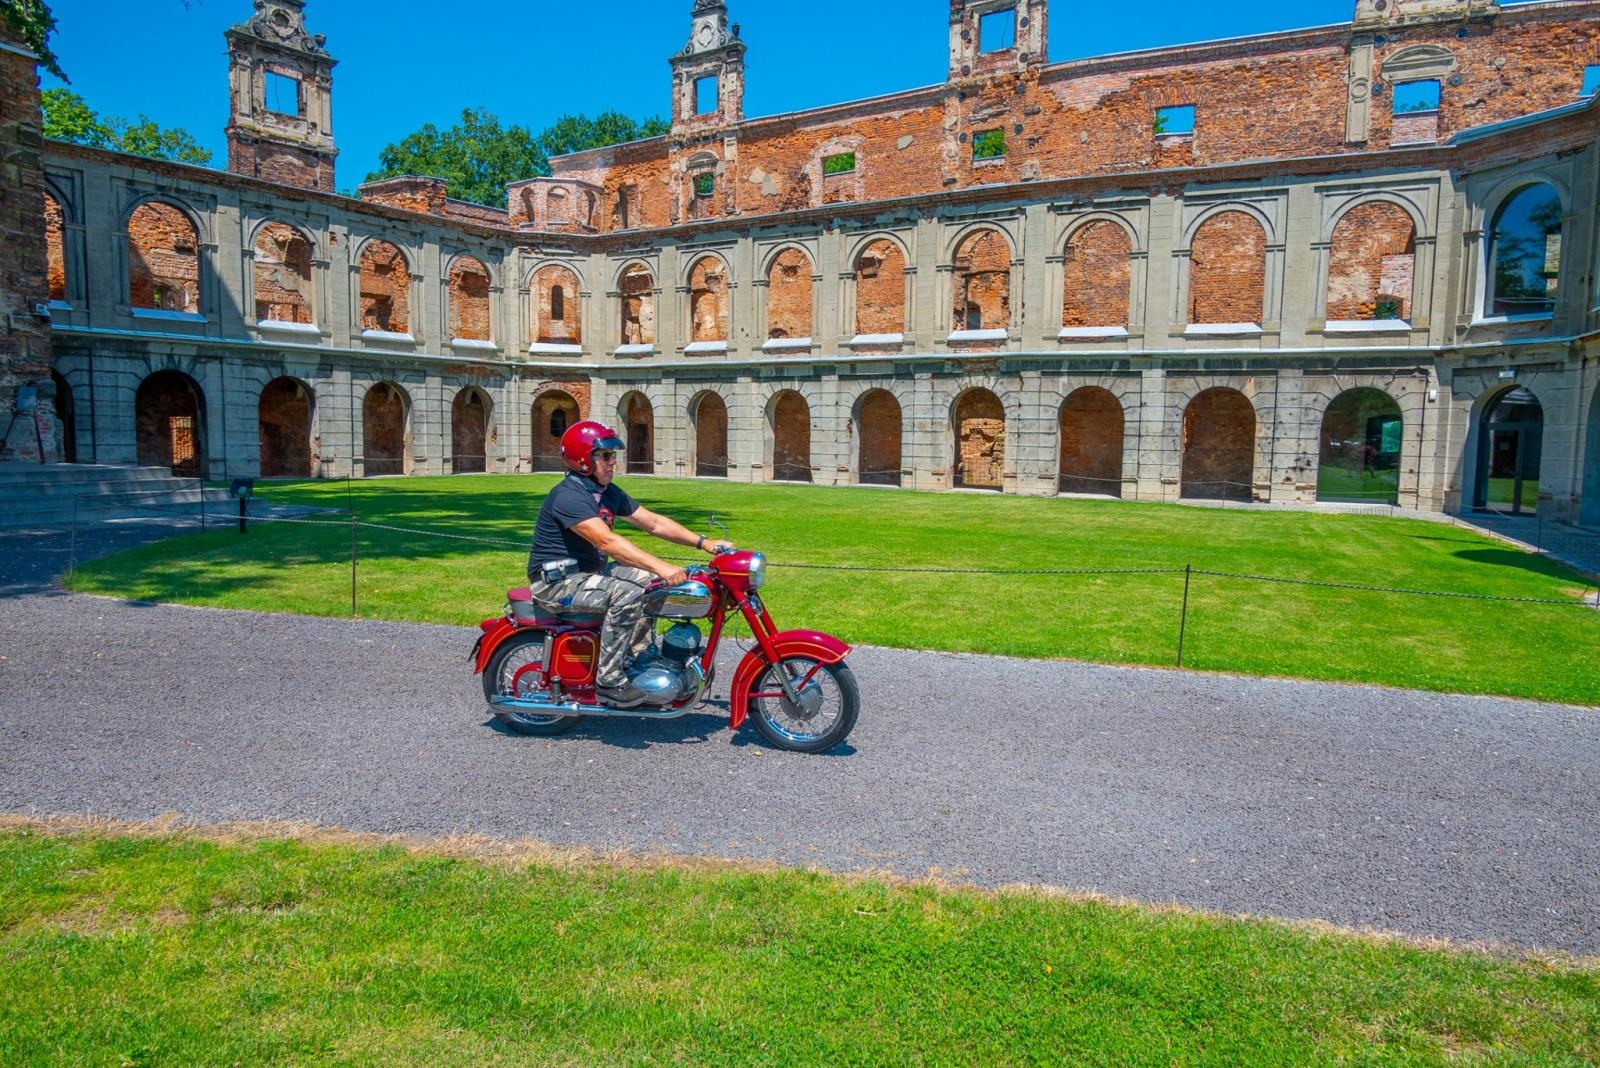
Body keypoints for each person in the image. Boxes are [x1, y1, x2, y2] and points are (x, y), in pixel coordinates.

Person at [527, 419, 731, 704]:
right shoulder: (568, 496)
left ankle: (640, 657)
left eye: (613, 455)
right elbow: (607, 542)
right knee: (628, 593)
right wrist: (661, 565)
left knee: (652, 583)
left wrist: (704, 543)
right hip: (556, 583)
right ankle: (610, 681)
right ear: (583, 460)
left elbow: (654, 523)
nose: (613, 461)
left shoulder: (607, 492)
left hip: (589, 575)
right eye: (605, 455)